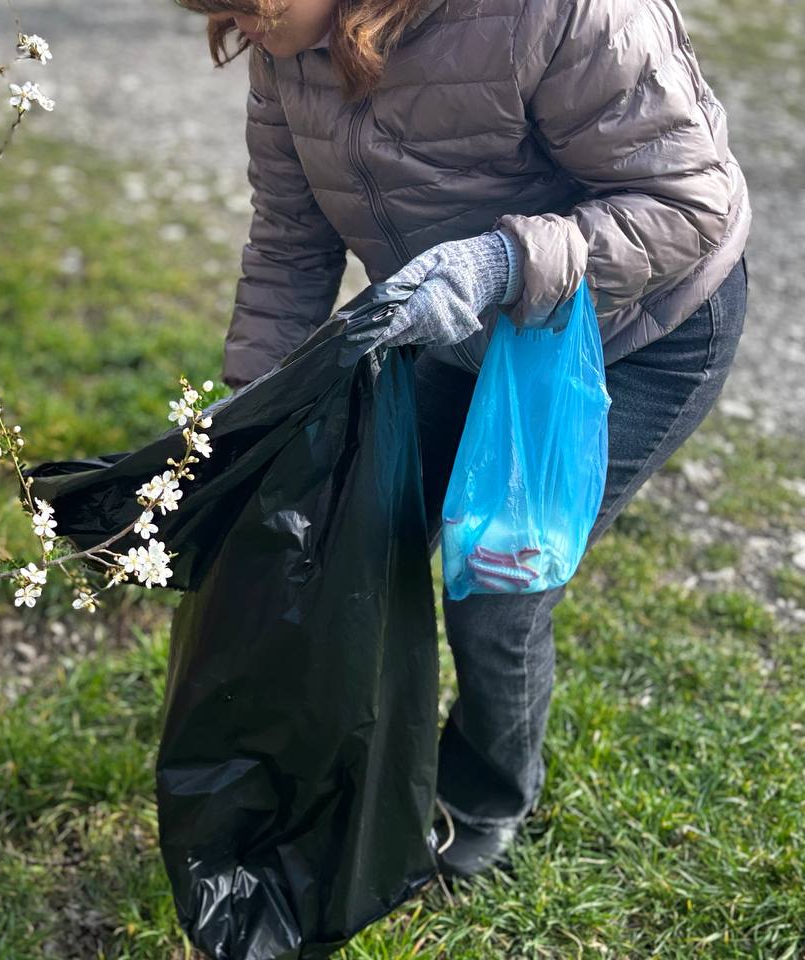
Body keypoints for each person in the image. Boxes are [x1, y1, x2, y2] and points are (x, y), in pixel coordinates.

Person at [174, 0, 751, 878]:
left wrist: (501, 264)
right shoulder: (285, 39)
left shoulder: (554, 13)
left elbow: (688, 201)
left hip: (635, 329)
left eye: (246, 5)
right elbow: (292, 240)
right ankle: (343, 767)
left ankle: (481, 798)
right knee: (348, 534)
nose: (235, 25)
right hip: (465, 324)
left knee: (496, 581)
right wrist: (253, 413)